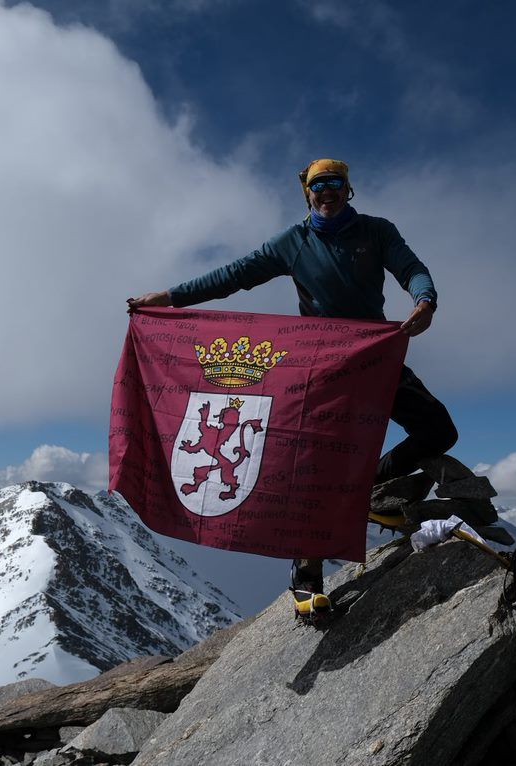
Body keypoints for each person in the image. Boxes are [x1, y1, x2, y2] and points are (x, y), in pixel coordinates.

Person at [127, 158, 458, 619]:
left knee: (438, 430)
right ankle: (307, 577)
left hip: (375, 356)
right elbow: (234, 276)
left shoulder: (378, 231)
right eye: (318, 185)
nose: (327, 191)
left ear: (349, 189)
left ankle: (365, 488)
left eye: (335, 183)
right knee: (315, 466)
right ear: (307, 192)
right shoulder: (293, 242)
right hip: (320, 366)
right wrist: (171, 297)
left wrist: (425, 299)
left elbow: (411, 267)